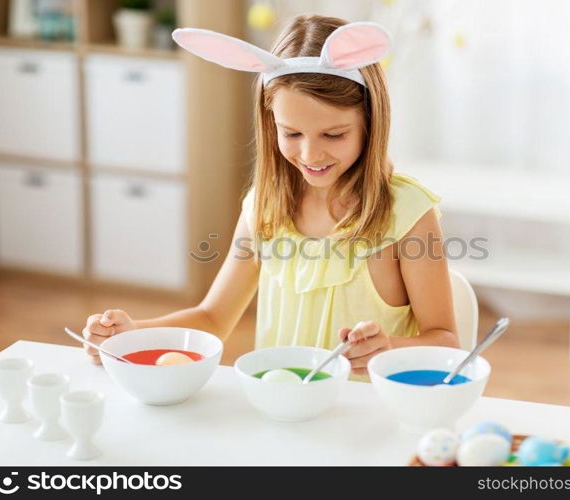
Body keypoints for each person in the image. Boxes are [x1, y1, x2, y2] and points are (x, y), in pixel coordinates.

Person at [82, 15, 458, 378]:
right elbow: (213, 318)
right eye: (292, 134)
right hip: (279, 411)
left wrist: (388, 348)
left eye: (334, 135)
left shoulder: (407, 215)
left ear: (370, 125)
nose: (311, 155)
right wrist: (132, 333)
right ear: (270, 123)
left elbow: (447, 343)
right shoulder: (263, 205)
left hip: (366, 420)